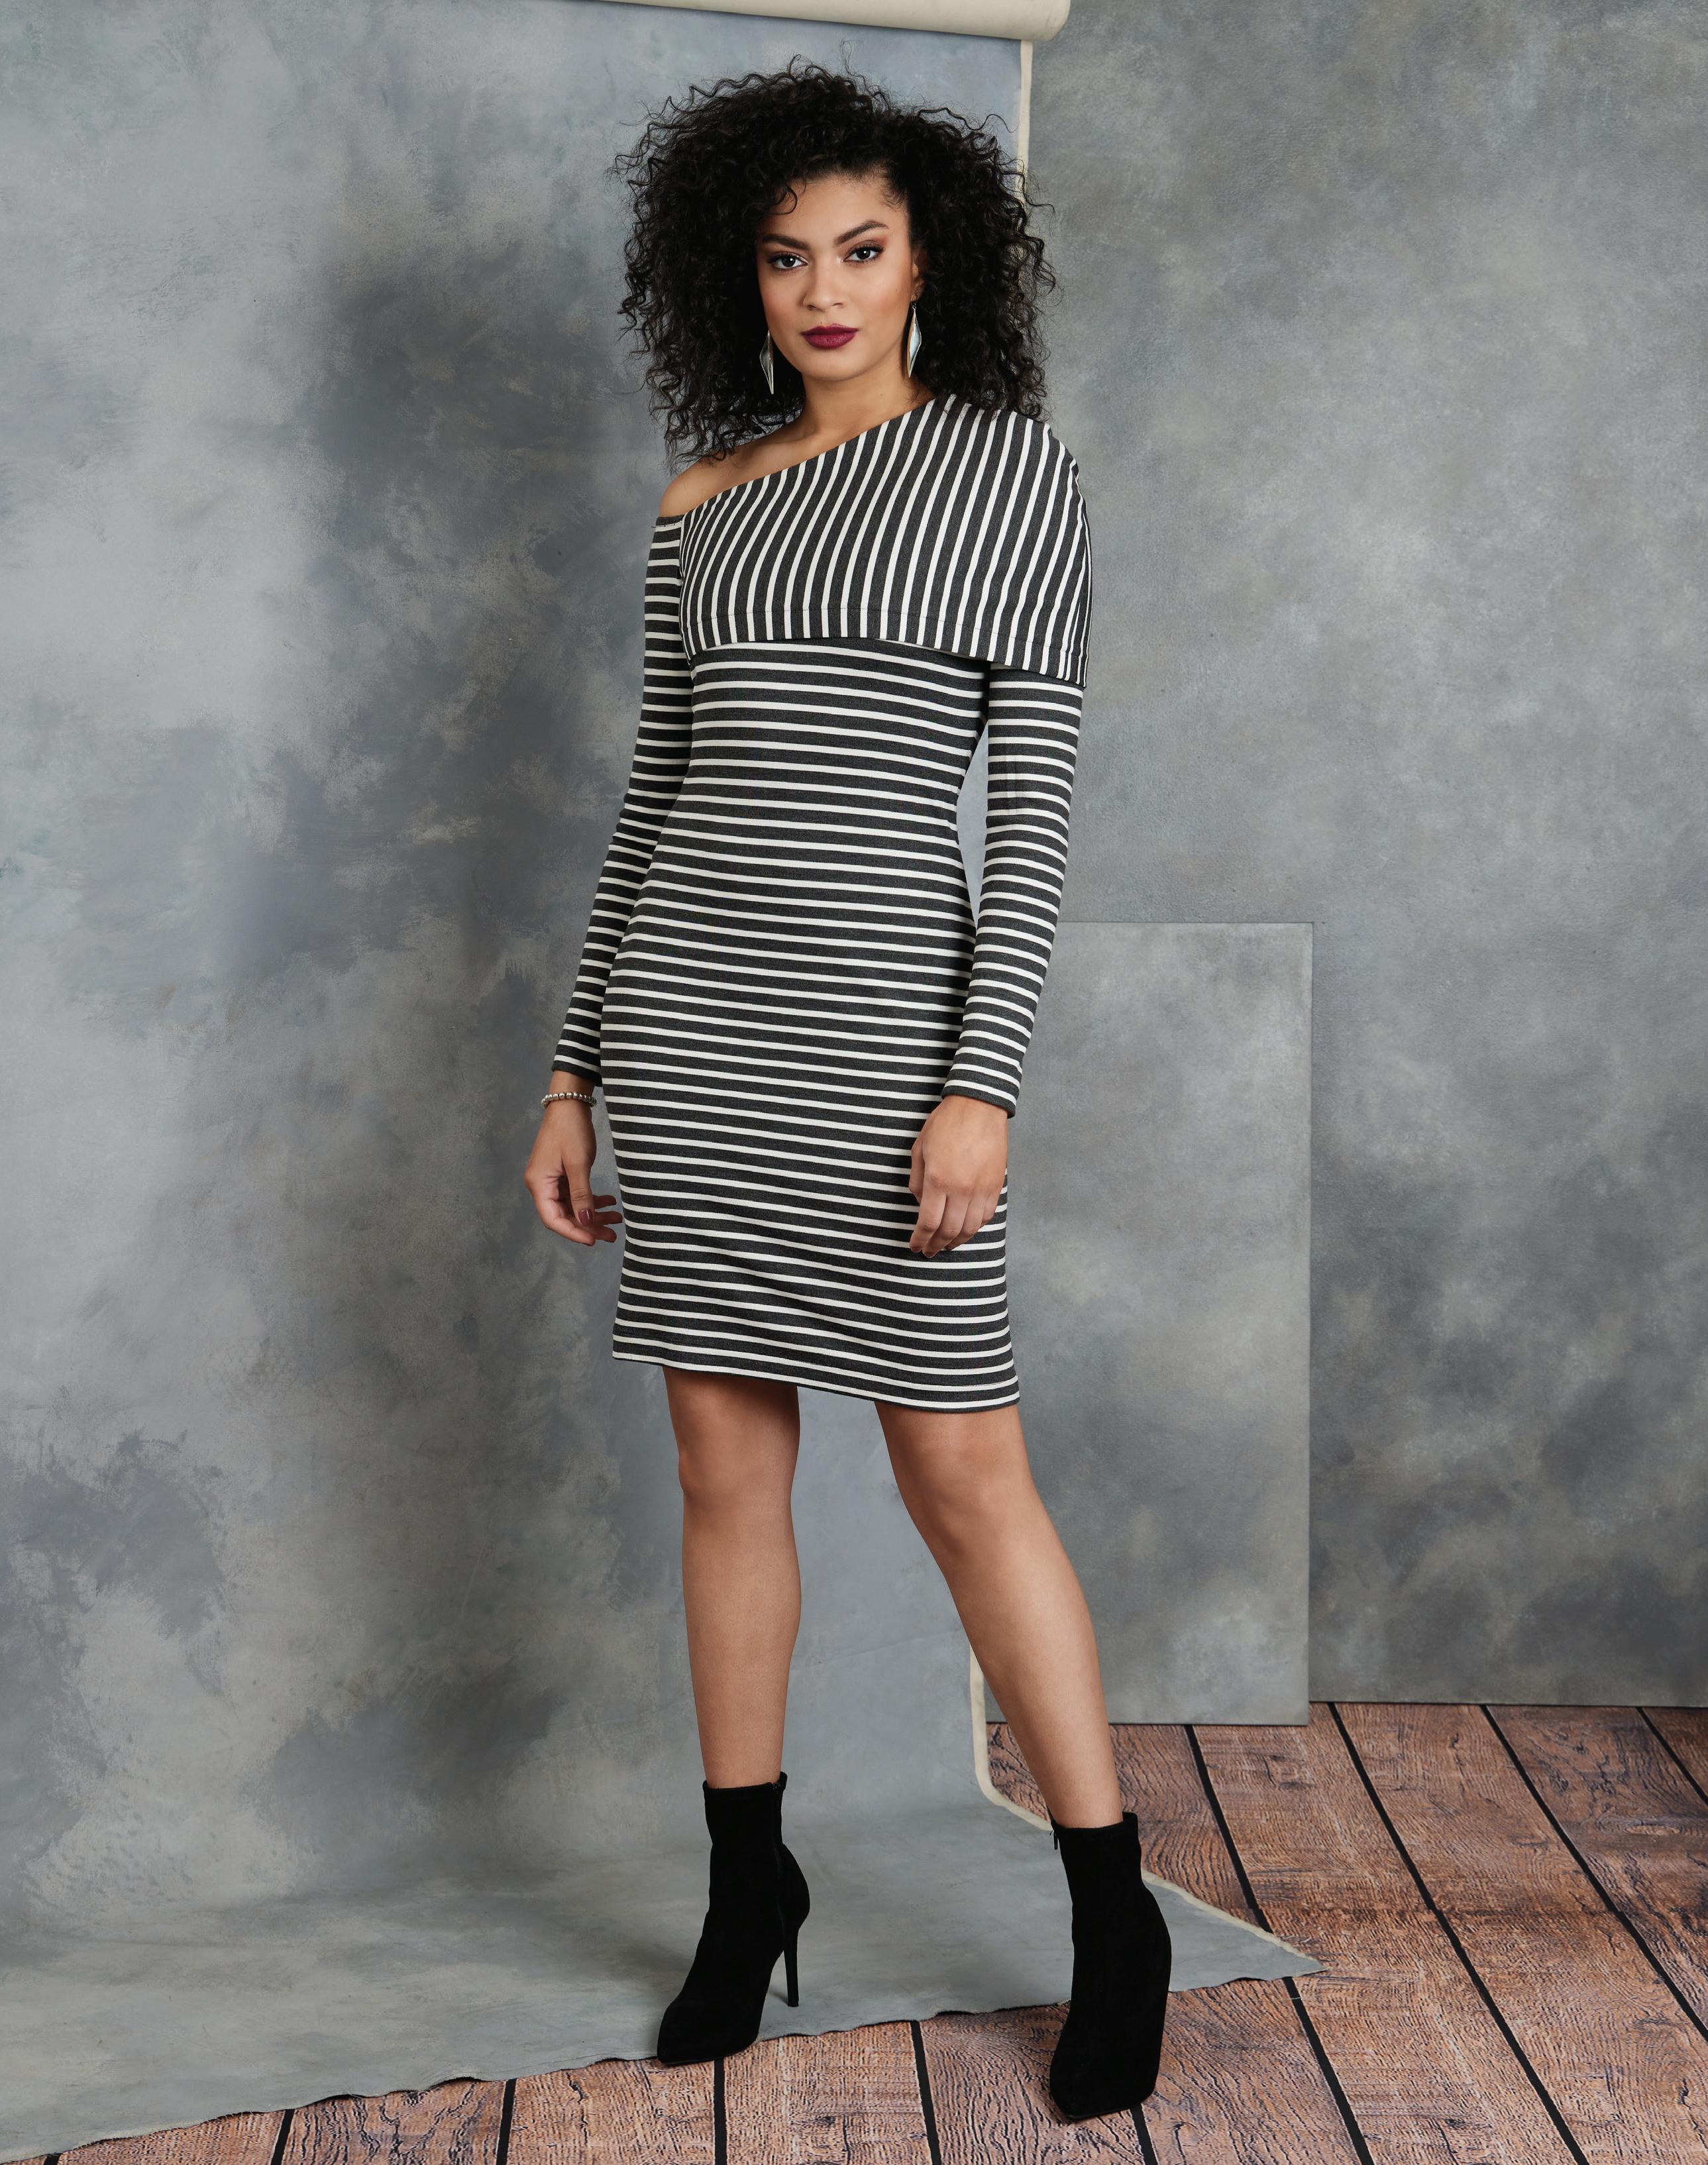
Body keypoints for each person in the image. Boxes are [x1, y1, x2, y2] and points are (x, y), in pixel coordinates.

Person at [523, 60, 1169, 2123]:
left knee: (964, 1477)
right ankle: (746, 1886)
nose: (821, 288)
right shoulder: (698, 504)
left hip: (891, 1049)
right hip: (690, 1040)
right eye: (785, 256)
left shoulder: (1008, 478)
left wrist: (981, 1088)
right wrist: (575, 1065)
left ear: (926, 262)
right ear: (738, 278)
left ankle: (1114, 1916)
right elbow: (653, 803)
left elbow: (1031, 823)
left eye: (860, 249)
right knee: (722, 1473)